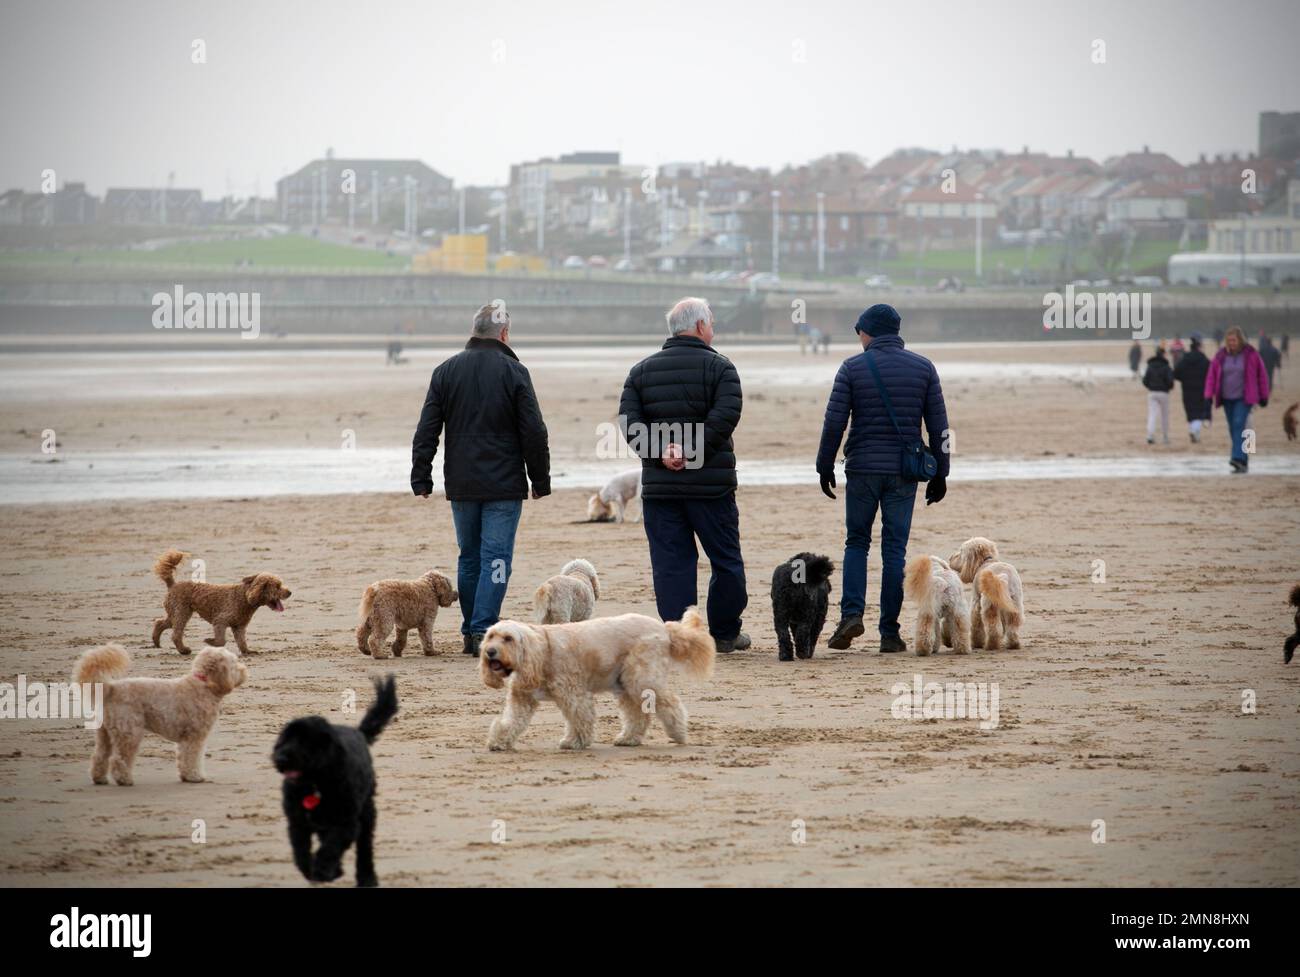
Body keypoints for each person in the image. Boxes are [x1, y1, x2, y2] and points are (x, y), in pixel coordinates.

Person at [410, 303, 551, 655]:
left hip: (462, 483)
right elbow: (534, 431)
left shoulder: (445, 371)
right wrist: (540, 478)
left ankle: (472, 630)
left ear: (474, 330)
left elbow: (427, 428)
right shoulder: (515, 371)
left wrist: (421, 475)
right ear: (503, 334)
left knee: (469, 556)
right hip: (504, 484)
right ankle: (482, 628)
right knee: (497, 558)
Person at [815, 303, 950, 654]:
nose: (858, 337)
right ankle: (889, 632)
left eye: (859, 330)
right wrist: (942, 472)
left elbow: (834, 422)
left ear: (868, 332)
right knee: (894, 550)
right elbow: (939, 426)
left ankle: (851, 614)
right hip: (905, 472)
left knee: (856, 543)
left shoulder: (852, 368)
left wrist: (824, 464)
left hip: (862, 469)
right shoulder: (923, 368)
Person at [619, 297, 749, 652]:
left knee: (671, 564)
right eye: (712, 324)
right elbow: (725, 417)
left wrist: (662, 453)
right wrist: (689, 451)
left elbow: (629, 424)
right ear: (701, 326)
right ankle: (723, 633)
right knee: (725, 560)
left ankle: (678, 636)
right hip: (711, 488)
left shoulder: (640, 372)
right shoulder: (722, 368)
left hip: (662, 489)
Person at [1204, 325, 1270, 473]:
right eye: (1229, 341)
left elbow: (1262, 375)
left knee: (1240, 424)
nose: (1231, 343)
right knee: (1235, 428)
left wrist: (1264, 395)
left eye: (1234, 340)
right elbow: (1211, 376)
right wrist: (1208, 396)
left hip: (1245, 397)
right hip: (1227, 398)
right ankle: (1243, 461)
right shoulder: (1221, 355)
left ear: (1240, 340)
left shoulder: (1251, 354)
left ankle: (1237, 457)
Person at [1172, 335, 1211, 442]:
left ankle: (1194, 432)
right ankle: (1194, 431)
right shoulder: (1203, 359)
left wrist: (1185, 379)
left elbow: (1176, 373)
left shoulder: (1185, 359)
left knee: (1190, 412)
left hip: (1187, 389)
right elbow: (1210, 373)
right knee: (1199, 412)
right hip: (1200, 389)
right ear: (1199, 346)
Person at [1142, 344, 1175, 445]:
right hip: (1163, 393)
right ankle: (1165, 437)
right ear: (1163, 354)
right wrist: (1168, 388)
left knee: (1152, 415)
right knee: (1164, 416)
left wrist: (1150, 387)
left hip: (1152, 393)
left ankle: (1150, 436)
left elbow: (1145, 380)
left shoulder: (1150, 366)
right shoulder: (1166, 366)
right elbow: (1170, 381)